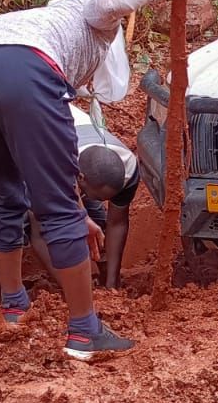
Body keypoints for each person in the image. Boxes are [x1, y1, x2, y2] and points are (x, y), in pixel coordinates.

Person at [0, 0, 202, 363]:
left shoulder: (40, 18)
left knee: (6, 191)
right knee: (58, 209)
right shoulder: (93, 20)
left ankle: (13, 308)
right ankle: (85, 332)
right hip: (24, 72)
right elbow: (109, 1)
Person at [26, 102, 140, 291]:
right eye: (90, 196)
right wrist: (76, 293)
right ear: (80, 179)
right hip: (28, 131)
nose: (99, 202)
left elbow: (117, 223)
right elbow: (40, 234)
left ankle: (105, 279)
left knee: (96, 224)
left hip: (70, 149)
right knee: (28, 215)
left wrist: (112, 286)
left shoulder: (129, 169)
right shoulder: (53, 165)